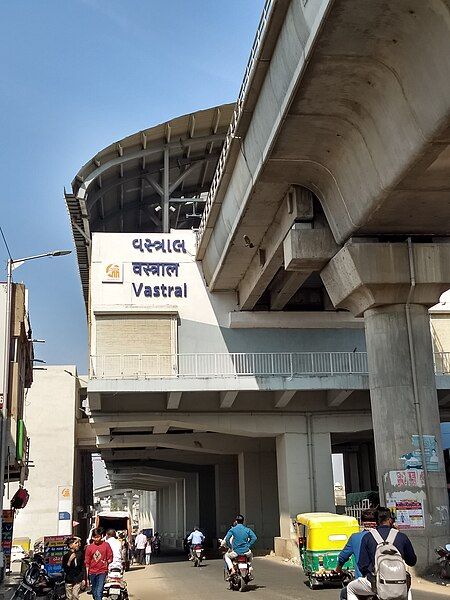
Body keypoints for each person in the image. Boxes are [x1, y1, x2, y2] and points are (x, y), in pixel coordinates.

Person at [346, 507, 417, 600]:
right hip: (399, 583)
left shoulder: (368, 537)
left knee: (350, 588)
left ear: (376, 521)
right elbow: (412, 561)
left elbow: (362, 565)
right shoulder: (401, 537)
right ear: (390, 520)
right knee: (407, 587)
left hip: (376, 583)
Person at [85, 527, 113, 600]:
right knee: (94, 591)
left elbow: (110, 557)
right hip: (92, 572)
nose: (96, 539)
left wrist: (106, 562)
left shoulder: (106, 545)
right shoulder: (89, 548)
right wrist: (87, 577)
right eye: (94, 537)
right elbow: (87, 562)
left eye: (98, 537)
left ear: (102, 536)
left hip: (102, 571)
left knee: (99, 591)